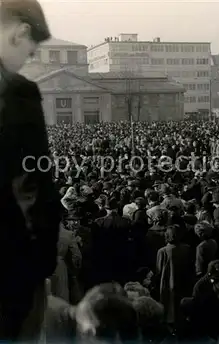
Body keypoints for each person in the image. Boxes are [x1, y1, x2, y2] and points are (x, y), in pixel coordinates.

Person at [0, 0, 61, 340]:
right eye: (31, 51)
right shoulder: (17, 91)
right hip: (11, 264)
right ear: (20, 33)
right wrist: (41, 263)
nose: (28, 60)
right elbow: (34, 187)